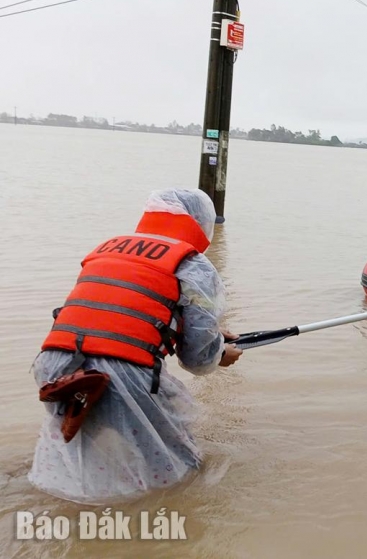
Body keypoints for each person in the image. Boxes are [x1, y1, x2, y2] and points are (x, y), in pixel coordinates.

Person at [29, 188, 243, 504]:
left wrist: (205, 331)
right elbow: (197, 358)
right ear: (200, 224)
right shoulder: (194, 264)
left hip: (56, 367)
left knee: (82, 449)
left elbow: (122, 309)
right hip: (122, 371)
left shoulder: (108, 247)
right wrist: (220, 353)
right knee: (182, 469)